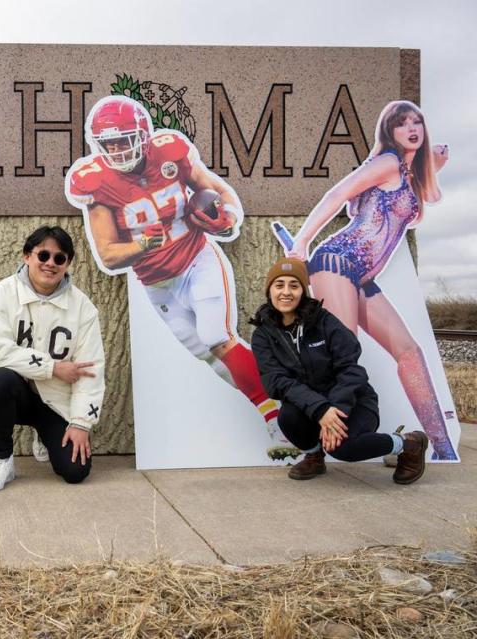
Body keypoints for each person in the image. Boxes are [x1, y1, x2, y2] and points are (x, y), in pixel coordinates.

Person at [65, 95, 295, 461]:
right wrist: (141, 244)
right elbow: (108, 253)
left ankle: (287, 411)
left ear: (142, 135)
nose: (118, 149)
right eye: (110, 143)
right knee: (208, 354)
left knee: (217, 335)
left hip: (196, 259)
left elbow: (217, 190)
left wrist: (229, 216)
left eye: (125, 139)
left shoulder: (169, 151)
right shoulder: (96, 181)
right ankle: (274, 411)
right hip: (156, 282)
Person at [287, 100, 455, 460]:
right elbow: (337, 194)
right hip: (337, 261)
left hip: (361, 277)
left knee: (410, 353)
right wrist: (302, 240)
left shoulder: (409, 175)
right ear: (389, 132)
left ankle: (441, 448)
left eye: (417, 122)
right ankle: (316, 449)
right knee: (342, 351)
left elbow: (432, 196)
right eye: (402, 123)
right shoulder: (387, 162)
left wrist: (434, 166)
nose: (412, 128)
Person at [250, 257, 428, 483]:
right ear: (270, 290)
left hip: (352, 401)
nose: (286, 292)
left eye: (294, 286)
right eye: (279, 285)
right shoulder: (263, 335)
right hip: (312, 407)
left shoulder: (324, 322)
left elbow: (351, 370)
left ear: (303, 291)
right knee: (288, 418)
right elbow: (276, 381)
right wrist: (320, 410)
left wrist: (335, 409)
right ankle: (314, 456)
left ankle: (408, 443)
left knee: (343, 449)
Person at [0, 226, 105, 491]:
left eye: (60, 258)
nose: (50, 264)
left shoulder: (82, 307)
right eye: (43, 255)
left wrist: (81, 423)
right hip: (16, 392)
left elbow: (91, 368)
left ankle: (44, 435)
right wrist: (52, 367)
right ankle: (3, 461)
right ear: (26, 256)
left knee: (76, 471)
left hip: (55, 402)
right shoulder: (0, 295)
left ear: (68, 264)